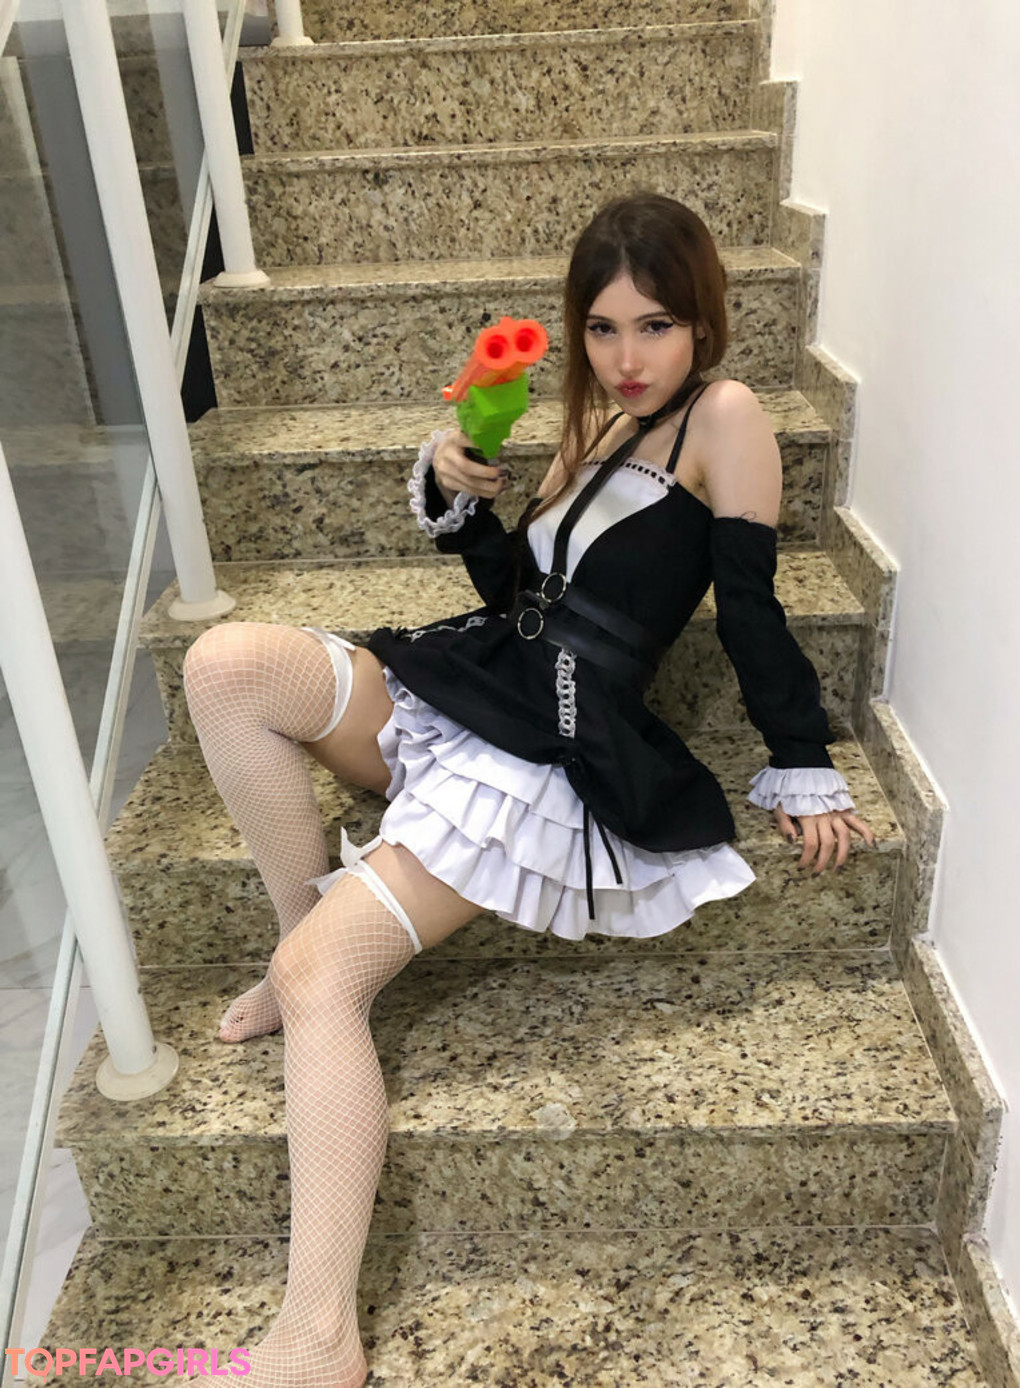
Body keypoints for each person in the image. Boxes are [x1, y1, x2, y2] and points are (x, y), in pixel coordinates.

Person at [181, 192, 875, 1387]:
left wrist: (803, 758)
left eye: (655, 325)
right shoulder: (593, 422)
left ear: (702, 320)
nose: (628, 355)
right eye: (602, 328)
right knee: (226, 664)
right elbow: (515, 593)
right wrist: (462, 495)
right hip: (483, 673)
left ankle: (318, 1331)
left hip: (552, 732)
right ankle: (299, 932)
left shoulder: (726, 416)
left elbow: (752, 613)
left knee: (324, 980)